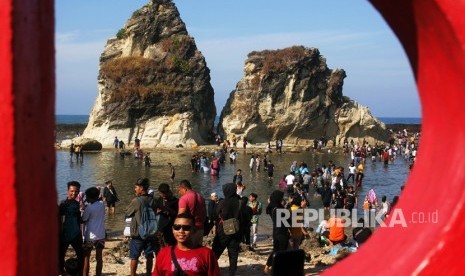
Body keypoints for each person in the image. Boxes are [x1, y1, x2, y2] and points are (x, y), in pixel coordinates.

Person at [153, 213, 220, 276]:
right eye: (177, 227)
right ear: (173, 229)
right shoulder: (164, 253)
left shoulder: (207, 254)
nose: (181, 231)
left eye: (186, 228)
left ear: (194, 230)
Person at [125, 178, 158, 276]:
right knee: (149, 256)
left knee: (134, 257)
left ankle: (132, 274)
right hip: (151, 232)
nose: (135, 189)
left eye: (136, 187)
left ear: (141, 188)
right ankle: (148, 274)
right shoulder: (153, 200)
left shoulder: (136, 201)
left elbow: (127, 213)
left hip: (138, 233)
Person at [212, 183, 243, 276]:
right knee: (233, 253)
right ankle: (232, 272)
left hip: (223, 230)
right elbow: (244, 216)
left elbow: (215, 214)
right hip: (236, 230)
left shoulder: (223, 202)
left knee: (216, 250)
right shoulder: (240, 202)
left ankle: (211, 268)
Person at [59, 181, 84, 275]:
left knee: (81, 255)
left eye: (76, 191)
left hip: (76, 234)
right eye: (72, 191)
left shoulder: (77, 204)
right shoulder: (63, 204)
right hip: (65, 235)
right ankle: (62, 272)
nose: (74, 193)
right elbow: (59, 220)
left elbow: (78, 219)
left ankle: (79, 273)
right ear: (67, 191)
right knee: (61, 256)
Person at [82, 187, 106, 276]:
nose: (86, 199)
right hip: (101, 235)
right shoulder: (102, 204)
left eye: (87, 197)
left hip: (90, 236)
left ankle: (85, 274)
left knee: (86, 257)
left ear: (90, 197)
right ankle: (98, 274)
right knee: (99, 258)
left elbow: (84, 220)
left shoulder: (89, 208)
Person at [264, 190, 289, 274]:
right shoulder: (278, 209)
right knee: (280, 251)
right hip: (281, 232)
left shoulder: (273, 207)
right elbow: (290, 219)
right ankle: (275, 269)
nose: (282, 199)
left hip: (277, 231)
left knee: (276, 250)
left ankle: (268, 266)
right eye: (281, 198)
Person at [177, 180, 207, 246]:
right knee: (197, 251)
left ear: (184, 189)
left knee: (187, 251)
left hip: (188, 229)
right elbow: (204, 214)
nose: (179, 193)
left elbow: (180, 216)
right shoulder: (200, 197)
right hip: (200, 228)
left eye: (179, 190)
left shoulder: (184, 198)